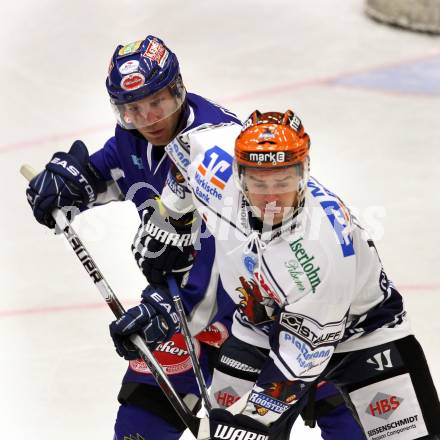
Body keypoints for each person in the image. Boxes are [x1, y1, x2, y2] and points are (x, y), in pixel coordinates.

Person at [120, 110, 440, 439]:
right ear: (238, 174)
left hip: (365, 337)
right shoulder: (215, 167)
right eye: (258, 182)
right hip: (256, 330)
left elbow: (303, 356)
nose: (271, 197)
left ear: (304, 174)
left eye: (283, 181)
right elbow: (185, 150)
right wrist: (171, 219)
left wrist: (253, 419)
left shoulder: (323, 248)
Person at [25, 34, 240, 440]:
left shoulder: (216, 147)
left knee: (254, 428)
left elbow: (232, 249)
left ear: (177, 89)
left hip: (254, 317)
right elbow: (108, 173)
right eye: (132, 110)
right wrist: (70, 186)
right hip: (181, 305)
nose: (148, 119)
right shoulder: (134, 138)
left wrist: (167, 307)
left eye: (156, 102)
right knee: (141, 422)